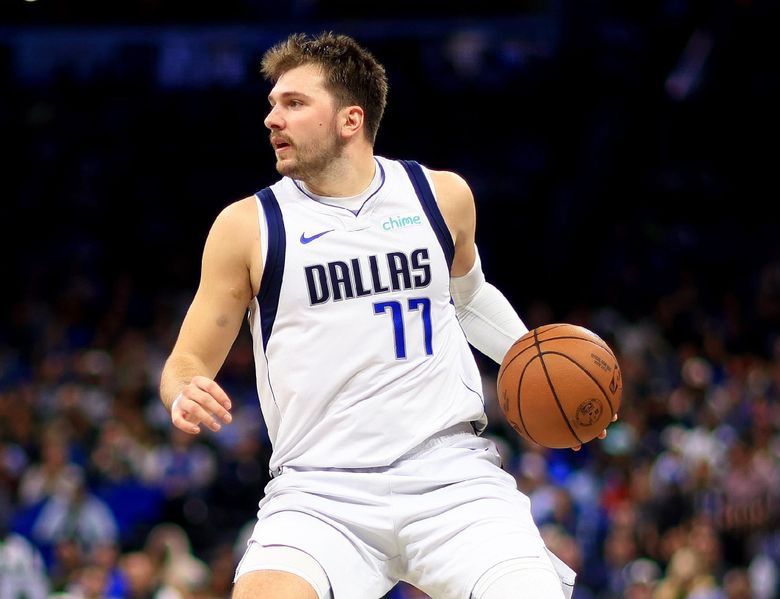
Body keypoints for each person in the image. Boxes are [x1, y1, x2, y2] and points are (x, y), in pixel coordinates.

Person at [159, 31, 613, 599]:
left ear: (351, 119)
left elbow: (468, 296)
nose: (272, 119)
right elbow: (187, 361)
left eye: (294, 103)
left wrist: (545, 370)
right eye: (272, 104)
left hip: (451, 475)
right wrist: (183, 391)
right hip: (320, 489)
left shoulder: (440, 196)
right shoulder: (247, 226)